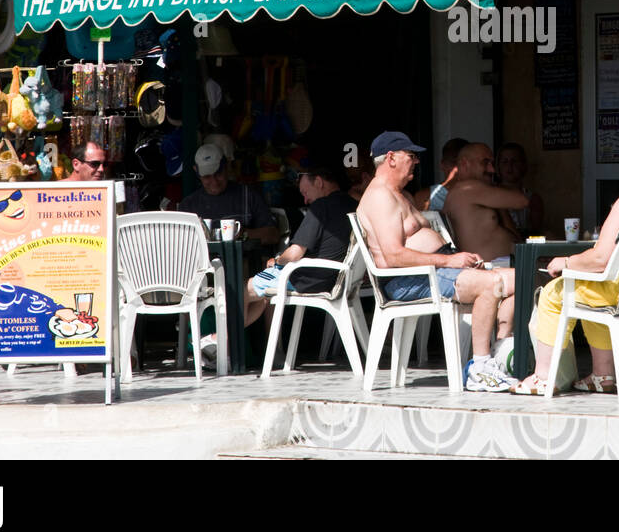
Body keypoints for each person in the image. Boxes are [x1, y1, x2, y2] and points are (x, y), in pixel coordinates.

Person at [512, 141, 619, 395]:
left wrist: (566, 263)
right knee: (591, 290)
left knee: (554, 294)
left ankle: (543, 377)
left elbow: (600, 259)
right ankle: (603, 376)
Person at [357, 130, 518, 392]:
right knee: (491, 285)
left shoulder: (401, 194)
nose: (416, 161)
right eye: (411, 156)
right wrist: (449, 261)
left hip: (435, 269)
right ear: (391, 158)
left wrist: (454, 260)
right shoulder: (379, 196)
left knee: (519, 279)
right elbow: (394, 255)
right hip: (412, 279)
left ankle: (499, 353)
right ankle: (480, 366)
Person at [244, 163, 357, 328]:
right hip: (337, 280)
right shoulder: (352, 204)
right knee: (262, 295)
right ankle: (221, 342)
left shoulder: (320, 207)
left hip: (307, 280)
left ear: (318, 182)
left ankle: (220, 344)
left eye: (305, 192)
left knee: (242, 290)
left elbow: (295, 254)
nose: (305, 200)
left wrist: (277, 261)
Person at [442, 143, 530, 265]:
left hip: (505, 264)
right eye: (485, 162)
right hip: (491, 268)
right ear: (464, 164)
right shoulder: (467, 188)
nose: (492, 170)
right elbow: (521, 200)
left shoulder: (473, 192)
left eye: (492, 164)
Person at [179, 142, 278, 247]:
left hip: (242, 261)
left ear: (228, 167)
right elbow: (177, 243)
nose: (214, 182)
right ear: (196, 172)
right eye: (207, 176)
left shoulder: (247, 195)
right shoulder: (188, 205)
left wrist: (243, 234)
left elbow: (273, 235)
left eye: (218, 173)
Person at [496, 142, 546, 237]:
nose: (509, 166)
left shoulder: (533, 198)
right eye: (505, 161)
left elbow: (535, 230)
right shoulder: (490, 194)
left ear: (523, 165)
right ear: (498, 166)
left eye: (514, 161)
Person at [413, 136, 468, 210]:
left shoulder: (480, 194)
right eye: (453, 162)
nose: (457, 168)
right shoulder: (425, 197)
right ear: (442, 165)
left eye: (462, 164)